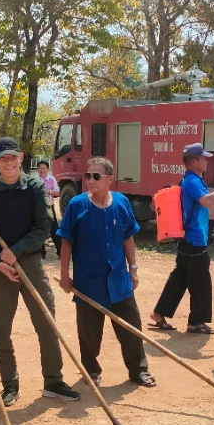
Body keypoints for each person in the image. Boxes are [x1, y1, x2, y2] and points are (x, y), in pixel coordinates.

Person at [0, 137, 79, 406]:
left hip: (30, 263)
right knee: (1, 329)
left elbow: (44, 227)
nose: (8, 162)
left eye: (12, 157)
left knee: (46, 321)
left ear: (20, 158)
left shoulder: (35, 187)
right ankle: (10, 383)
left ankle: (53, 380)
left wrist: (16, 250)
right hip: (1, 269)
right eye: (2, 158)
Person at [57, 157, 155, 387]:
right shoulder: (77, 205)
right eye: (88, 176)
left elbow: (128, 237)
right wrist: (64, 275)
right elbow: (66, 241)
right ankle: (91, 370)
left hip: (119, 280)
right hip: (89, 282)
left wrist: (133, 269)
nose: (90, 180)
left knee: (131, 328)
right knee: (89, 333)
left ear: (110, 179)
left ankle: (138, 370)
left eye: (96, 176)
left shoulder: (121, 203)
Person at [148, 143, 214, 333]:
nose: (206, 161)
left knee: (180, 278)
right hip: (194, 239)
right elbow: (207, 201)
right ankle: (196, 322)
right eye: (203, 158)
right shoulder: (193, 181)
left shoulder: (189, 180)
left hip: (187, 238)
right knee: (201, 282)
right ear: (194, 162)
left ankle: (159, 313)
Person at [37, 160, 62, 257]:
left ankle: (60, 251)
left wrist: (52, 192)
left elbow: (58, 193)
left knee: (54, 228)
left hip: (49, 206)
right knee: (39, 228)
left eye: (44, 168)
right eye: (40, 168)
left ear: (47, 169)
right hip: (38, 207)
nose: (42, 170)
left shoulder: (52, 179)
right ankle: (41, 253)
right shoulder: (35, 180)